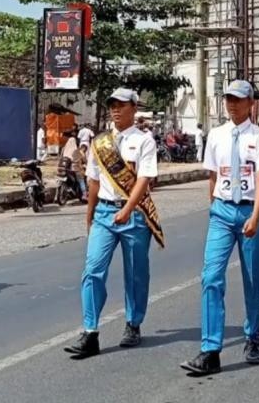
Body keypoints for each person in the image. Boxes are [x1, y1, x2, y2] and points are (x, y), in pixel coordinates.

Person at [180, 80, 259, 376]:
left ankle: (253, 336)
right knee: (211, 277)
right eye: (228, 99)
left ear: (250, 103)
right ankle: (210, 350)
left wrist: (256, 215)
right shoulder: (216, 135)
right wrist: (212, 207)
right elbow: (212, 176)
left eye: (238, 100)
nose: (232, 104)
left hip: (249, 211)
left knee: (253, 278)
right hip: (221, 212)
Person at [64, 87, 161, 360]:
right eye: (112, 105)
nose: (116, 110)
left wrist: (128, 208)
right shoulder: (100, 142)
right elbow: (93, 181)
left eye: (121, 105)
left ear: (133, 107)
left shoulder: (144, 141)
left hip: (134, 215)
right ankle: (90, 331)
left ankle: (133, 323)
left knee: (136, 273)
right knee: (93, 269)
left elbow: (144, 179)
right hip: (105, 215)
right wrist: (90, 214)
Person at [61, 134, 88, 201]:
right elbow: (84, 160)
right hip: (76, 169)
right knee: (81, 180)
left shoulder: (64, 149)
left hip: (65, 168)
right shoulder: (77, 151)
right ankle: (84, 194)